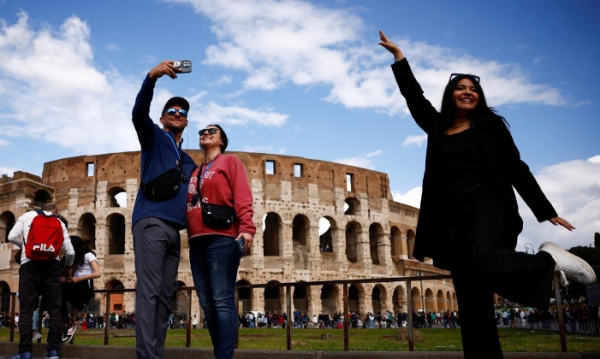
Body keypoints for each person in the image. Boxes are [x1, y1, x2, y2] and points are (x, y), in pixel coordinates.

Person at [378, 30, 596, 358]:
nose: (467, 92)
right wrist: (399, 59)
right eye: (461, 88)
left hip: (487, 205)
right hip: (451, 218)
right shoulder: (436, 127)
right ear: (451, 96)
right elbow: (414, 98)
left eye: (473, 89)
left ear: (479, 97)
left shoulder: (490, 126)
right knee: (471, 297)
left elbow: (515, 168)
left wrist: (544, 208)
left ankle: (547, 261)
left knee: (482, 259)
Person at [131, 60, 196, 359]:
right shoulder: (154, 137)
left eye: (182, 113)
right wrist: (151, 78)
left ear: (187, 121)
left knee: (164, 296)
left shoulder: (188, 161)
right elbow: (138, 113)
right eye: (172, 111)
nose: (177, 114)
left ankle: (155, 353)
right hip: (151, 221)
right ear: (163, 117)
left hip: (174, 230)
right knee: (150, 291)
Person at [186, 124, 256, 359]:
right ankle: (221, 354)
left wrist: (247, 228)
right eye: (202, 132)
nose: (205, 133)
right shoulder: (195, 171)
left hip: (222, 238)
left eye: (212, 131)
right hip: (196, 241)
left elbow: (242, 194)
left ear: (222, 141)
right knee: (207, 303)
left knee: (222, 300)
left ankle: (223, 357)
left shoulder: (230, 161)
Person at [8, 204, 74, 359]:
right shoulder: (59, 222)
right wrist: (67, 266)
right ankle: (53, 351)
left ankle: (25, 352)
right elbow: (70, 251)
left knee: (26, 310)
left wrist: (26, 247)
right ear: (55, 211)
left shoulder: (27, 216)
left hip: (29, 264)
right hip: (52, 266)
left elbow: (11, 236)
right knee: (54, 309)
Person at [60, 235, 101, 343]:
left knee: (59, 292)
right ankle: (67, 325)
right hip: (76, 284)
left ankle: (67, 325)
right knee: (56, 294)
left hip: (84, 287)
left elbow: (97, 273)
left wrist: (79, 279)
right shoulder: (76, 259)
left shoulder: (88, 256)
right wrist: (66, 278)